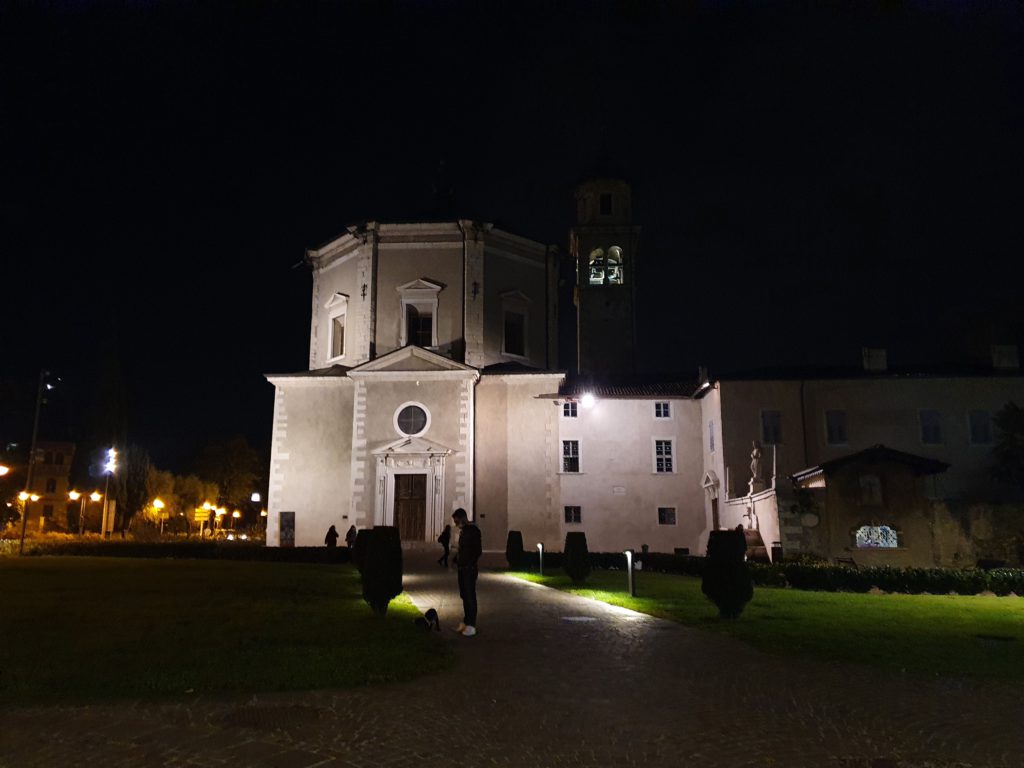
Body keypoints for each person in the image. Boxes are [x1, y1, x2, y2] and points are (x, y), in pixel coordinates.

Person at [451, 508, 481, 637]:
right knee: (464, 595)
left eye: (456, 520)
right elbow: (462, 549)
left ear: (462, 518)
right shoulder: (463, 532)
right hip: (462, 569)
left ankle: (471, 625)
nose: (455, 523)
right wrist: (457, 559)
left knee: (470, 596)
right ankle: (466, 621)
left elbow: (477, 550)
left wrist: (469, 562)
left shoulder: (473, 531)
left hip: (469, 569)